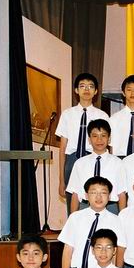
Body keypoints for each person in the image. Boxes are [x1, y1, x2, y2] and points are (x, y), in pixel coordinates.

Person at [58, 177, 126, 268]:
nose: (98, 197)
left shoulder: (116, 220)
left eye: (103, 193)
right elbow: (67, 252)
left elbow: (116, 253)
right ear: (86, 195)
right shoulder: (75, 218)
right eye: (94, 192)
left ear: (109, 196)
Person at [56, 73, 110, 212]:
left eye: (90, 86)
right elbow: (62, 148)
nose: (86, 89)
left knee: (95, 200)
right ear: (76, 90)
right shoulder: (67, 114)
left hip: (94, 159)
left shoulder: (102, 115)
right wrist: (61, 180)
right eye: (82, 86)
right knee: (72, 203)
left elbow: (107, 144)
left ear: (96, 91)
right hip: (72, 160)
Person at [66, 118, 127, 213]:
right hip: (85, 207)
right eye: (95, 136)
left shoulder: (118, 163)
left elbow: (122, 194)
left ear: (109, 138)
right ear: (89, 139)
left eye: (103, 135)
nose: (99, 140)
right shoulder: (80, 163)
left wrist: (123, 218)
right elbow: (75, 194)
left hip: (110, 208)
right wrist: (72, 218)